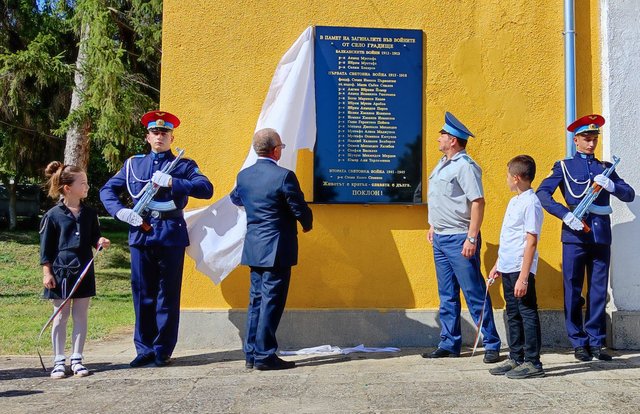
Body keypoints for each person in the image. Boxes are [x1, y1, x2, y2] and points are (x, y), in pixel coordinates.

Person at [100, 110, 213, 368]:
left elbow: (206, 189)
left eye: (164, 133)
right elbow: (107, 190)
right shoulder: (133, 164)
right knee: (142, 293)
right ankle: (144, 348)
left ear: (172, 137)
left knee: (168, 295)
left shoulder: (184, 165)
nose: (159, 136)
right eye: (155, 132)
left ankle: (163, 349)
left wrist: (174, 182)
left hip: (170, 234)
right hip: (141, 233)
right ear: (147, 137)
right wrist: (120, 211)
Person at [536, 114, 634, 362]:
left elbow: (629, 194)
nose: (591, 144)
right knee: (573, 288)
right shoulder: (564, 166)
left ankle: (596, 342)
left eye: (594, 139)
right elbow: (543, 193)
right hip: (574, 235)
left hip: (600, 236)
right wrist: (564, 214)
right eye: (587, 139)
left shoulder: (604, 168)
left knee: (599, 291)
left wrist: (612, 186)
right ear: (576, 140)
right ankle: (578, 341)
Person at [230, 128, 313, 370]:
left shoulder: (244, 176)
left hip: (255, 246)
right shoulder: (284, 176)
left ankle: (251, 354)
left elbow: (236, 199)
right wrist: (307, 224)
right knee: (271, 302)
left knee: (256, 300)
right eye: (281, 148)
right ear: (276, 150)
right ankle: (265, 355)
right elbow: (298, 207)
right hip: (277, 247)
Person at [423, 112, 501, 363]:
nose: (439, 138)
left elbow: (477, 202)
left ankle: (491, 343)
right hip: (441, 237)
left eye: (443, 134)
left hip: (459, 238)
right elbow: (441, 200)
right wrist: (433, 225)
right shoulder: (442, 164)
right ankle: (449, 342)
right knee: (446, 293)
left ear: (454, 140)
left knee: (474, 292)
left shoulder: (465, 166)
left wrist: (471, 237)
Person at [40, 161, 111, 379]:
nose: (87, 187)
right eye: (83, 183)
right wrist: (47, 272)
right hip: (61, 273)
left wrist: (100, 241)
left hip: (84, 270)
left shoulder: (90, 214)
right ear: (68, 188)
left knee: (81, 315)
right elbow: (46, 248)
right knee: (60, 317)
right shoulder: (52, 215)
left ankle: (77, 359)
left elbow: (93, 239)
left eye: (87, 183)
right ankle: (59, 361)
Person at [487, 155, 545, 378]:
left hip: (521, 269)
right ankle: (516, 356)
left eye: (508, 176)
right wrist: (498, 264)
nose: (507, 180)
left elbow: (531, 240)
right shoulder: (515, 201)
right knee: (513, 313)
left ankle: (533, 362)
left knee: (527, 312)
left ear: (517, 177)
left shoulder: (531, 203)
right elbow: (509, 237)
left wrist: (524, 277)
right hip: (508, 266)